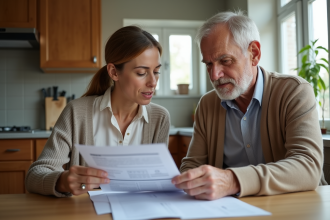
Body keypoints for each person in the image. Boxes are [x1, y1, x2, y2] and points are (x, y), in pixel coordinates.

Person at [172, 11, 327, 200]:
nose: (214, 75)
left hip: (296, 206)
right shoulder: (207, 104)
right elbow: (192, 167)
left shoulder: (294, 92)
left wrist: (232, 180)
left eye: (225, 61)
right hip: (231, 210)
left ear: (254, 54)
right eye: (208, 64)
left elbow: (307, 167)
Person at [26, 26, 170, 197]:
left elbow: (157, 181)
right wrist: (63, 181)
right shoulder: (77, 112)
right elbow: (34, 176)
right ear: (114, 72)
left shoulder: (160, 118)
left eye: (156, 72)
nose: (153, 82)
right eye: (141, 73)